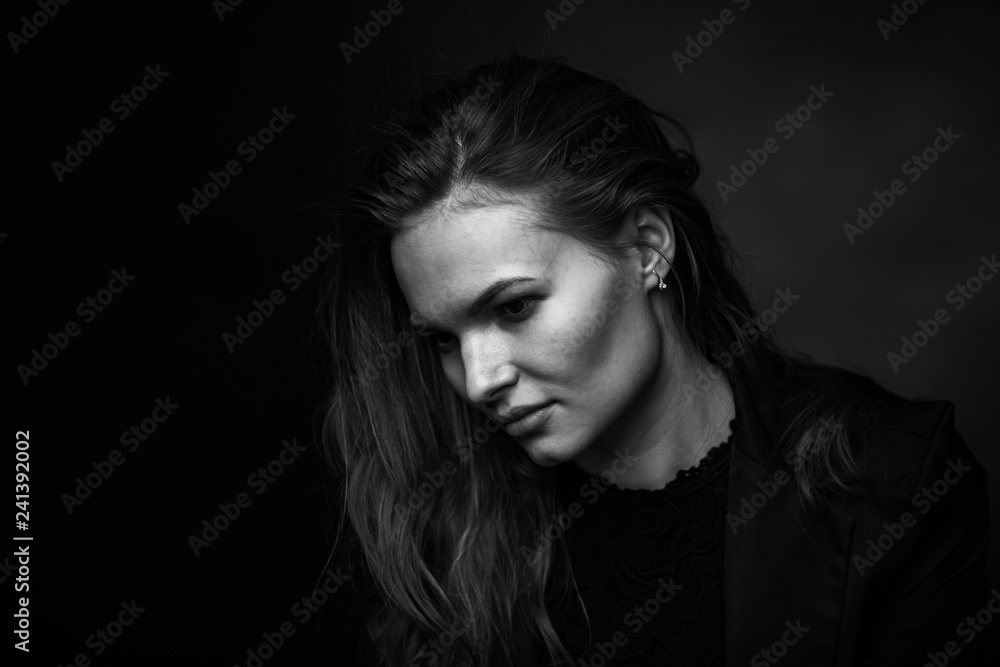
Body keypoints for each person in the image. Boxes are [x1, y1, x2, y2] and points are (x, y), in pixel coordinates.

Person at [319, 53, 990, 666]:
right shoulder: (445, 534)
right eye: (443, 338)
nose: (480, 376)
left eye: (515, 307)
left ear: (647, 248)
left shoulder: (892, 485)